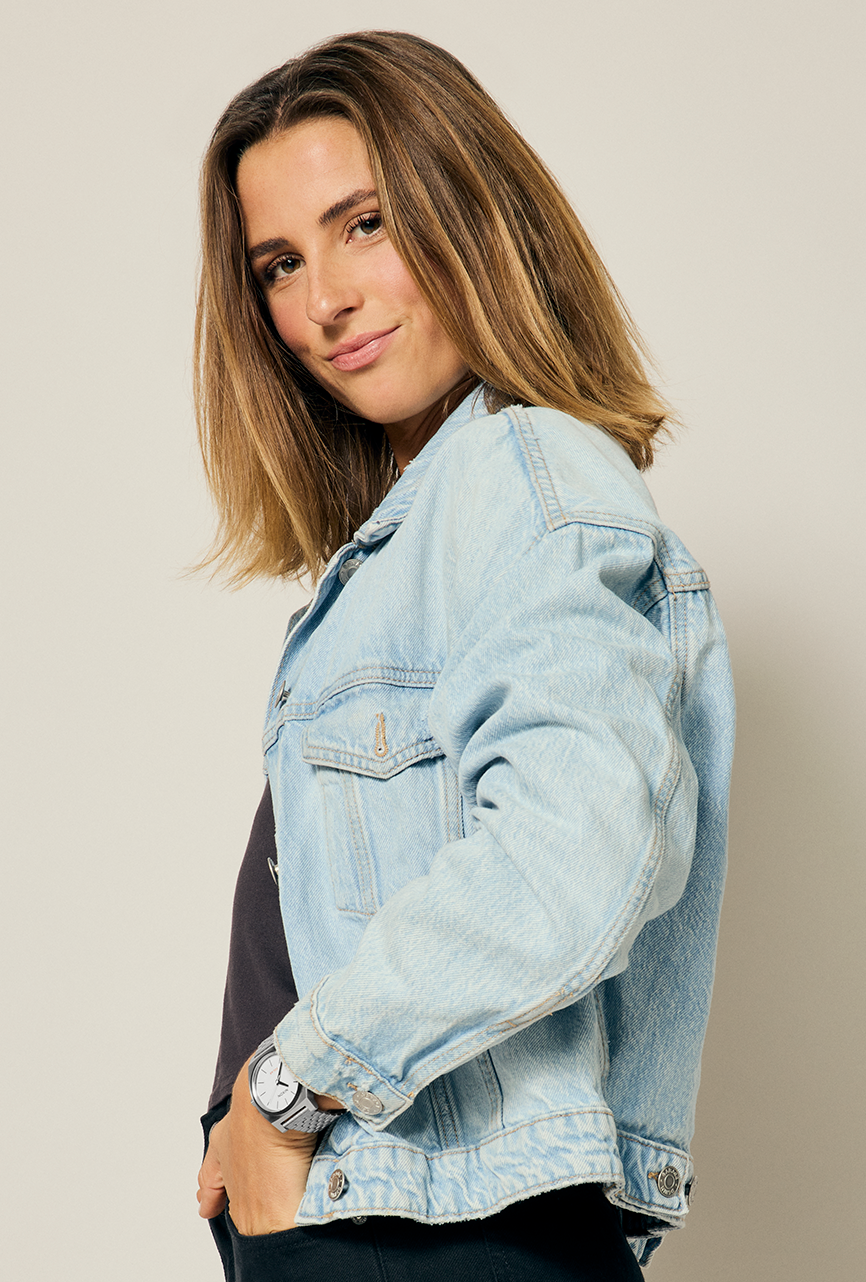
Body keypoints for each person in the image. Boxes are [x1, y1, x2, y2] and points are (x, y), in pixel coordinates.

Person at [193, 30, 733, 1281]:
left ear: (472, 215)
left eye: (365, 224)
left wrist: (287, 1087)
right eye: (281, 263)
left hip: (432, 1235)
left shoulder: (523, 474)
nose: (325, 300)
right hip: (371, 1216)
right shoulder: (416, 532)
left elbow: (575, 849)